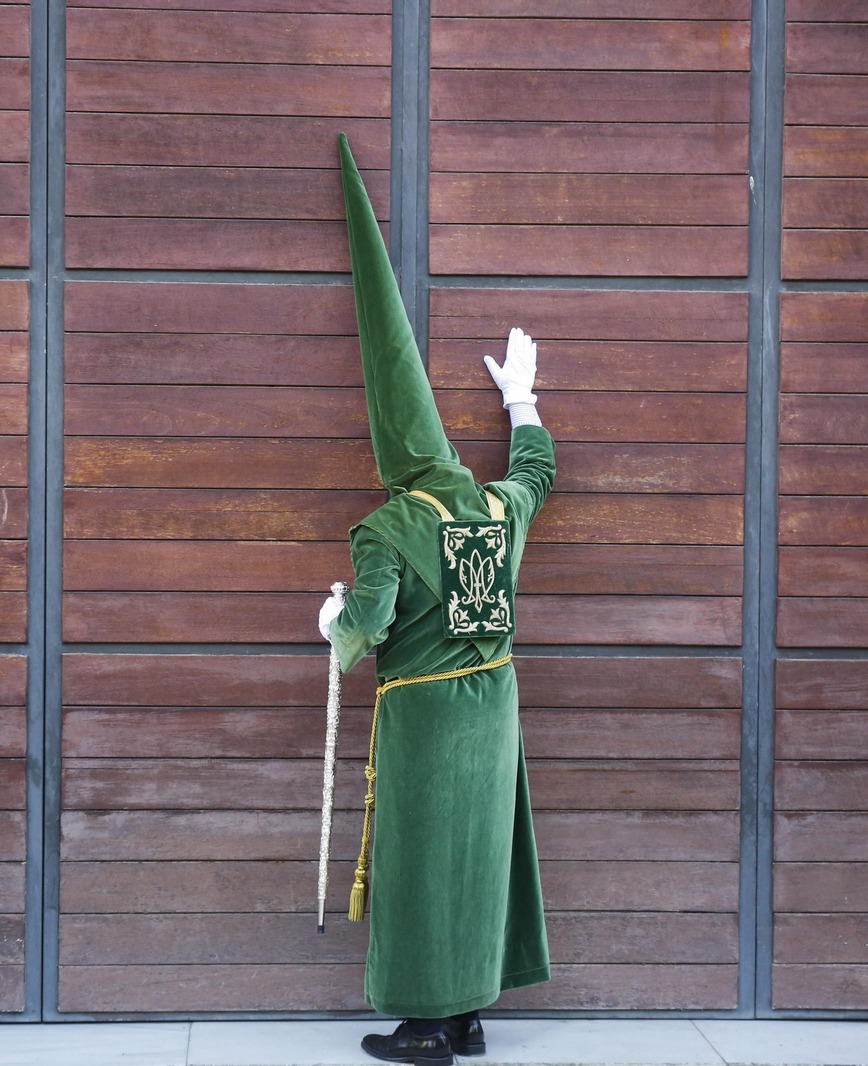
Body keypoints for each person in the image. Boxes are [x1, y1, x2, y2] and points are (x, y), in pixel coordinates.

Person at [319, 133, 554, 1066]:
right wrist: (523, 401)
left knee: (420, 864)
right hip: (494, 708)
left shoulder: (383, 529)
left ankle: (425, 1028)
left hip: (421, 719)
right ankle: (467, 1014)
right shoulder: (492, 504)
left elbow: (365, 629)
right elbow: (536, 476)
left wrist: (333, 620)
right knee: (476, 860)